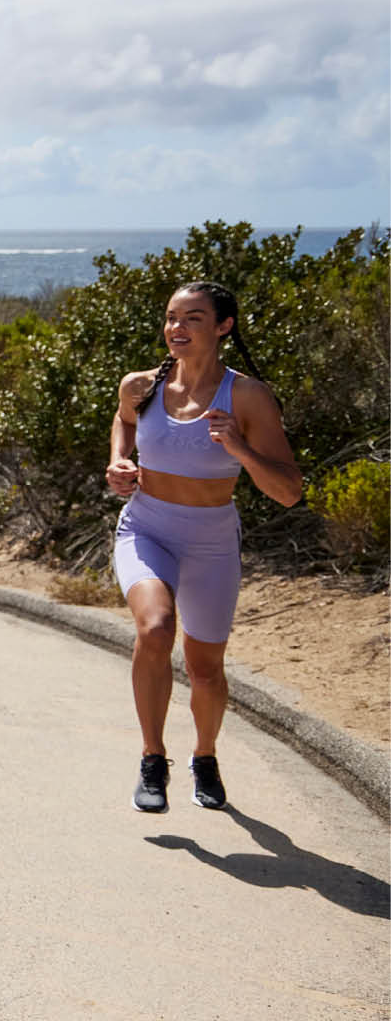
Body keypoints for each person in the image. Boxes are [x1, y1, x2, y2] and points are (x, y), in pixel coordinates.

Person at [106, 280, 301, 813]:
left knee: (206, 668)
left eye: (193, 318)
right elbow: (124, 422)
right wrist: (120, 462)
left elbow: (287, 491)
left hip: (212, 540)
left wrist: (238, 446)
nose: (177, 328)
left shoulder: (247, 397)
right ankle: (152, 758)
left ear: (223, 327)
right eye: (171, 317)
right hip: (145, 528)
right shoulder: (140, 385)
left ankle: (206, 755)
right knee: (155, 628)